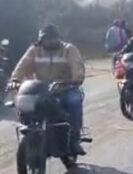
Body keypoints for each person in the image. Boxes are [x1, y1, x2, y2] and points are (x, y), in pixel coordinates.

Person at [10, 24, 86, 155]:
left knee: (74, 101)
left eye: (52, 38)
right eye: (46, 38)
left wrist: (75, 79)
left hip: (65, 88)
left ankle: (74, 139)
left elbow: (77, 66)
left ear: (58, 38)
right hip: (40, 89)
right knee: (24, 104)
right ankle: (30, 128)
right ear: (41, 39)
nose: (49, 41)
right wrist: (15, 80)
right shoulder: (35, 50)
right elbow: (22, 65)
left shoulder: (68, 49)